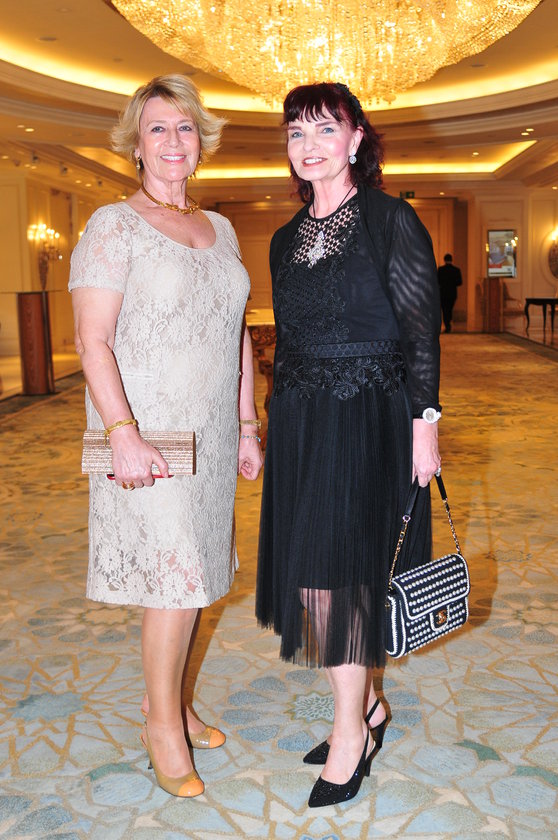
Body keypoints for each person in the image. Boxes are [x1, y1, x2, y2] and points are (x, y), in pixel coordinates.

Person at [69, 74, 263, 798]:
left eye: (185, 127)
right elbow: (91, 340)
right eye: (158, 128)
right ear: (136, 145)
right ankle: (161, 726)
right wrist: (122, 433)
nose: (173, 141)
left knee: (198, 574)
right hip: (148, 434)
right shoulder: (112, 226)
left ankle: (176, 704)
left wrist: (247, 423)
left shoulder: (223, 230)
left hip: (211, 434)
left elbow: (236, 335)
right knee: (175, 582)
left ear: (201, 141)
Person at [256, 82, 441, 808]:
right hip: (303, 419)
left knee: (341, 579)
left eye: (324, 129)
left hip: (370, 415)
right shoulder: (283, 238)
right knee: (313, 572)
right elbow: (288, 338)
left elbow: (421, 331)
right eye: (296, 133)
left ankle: (348, 732)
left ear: (357, 138)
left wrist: (425, 425)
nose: (309, 146)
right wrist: (269, 423)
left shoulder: (392, 220)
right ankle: (369, 708)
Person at [437, 253, 463, 332]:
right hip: (452, 293)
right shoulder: (456, 270)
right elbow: (460, 282)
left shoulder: (441, 270)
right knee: (450, 308)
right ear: (451, 260)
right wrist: (452, 283)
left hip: (443, 293)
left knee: (444, 309)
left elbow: (437, 281)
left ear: (444, 260)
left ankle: (447, 324)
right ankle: (448, 323)